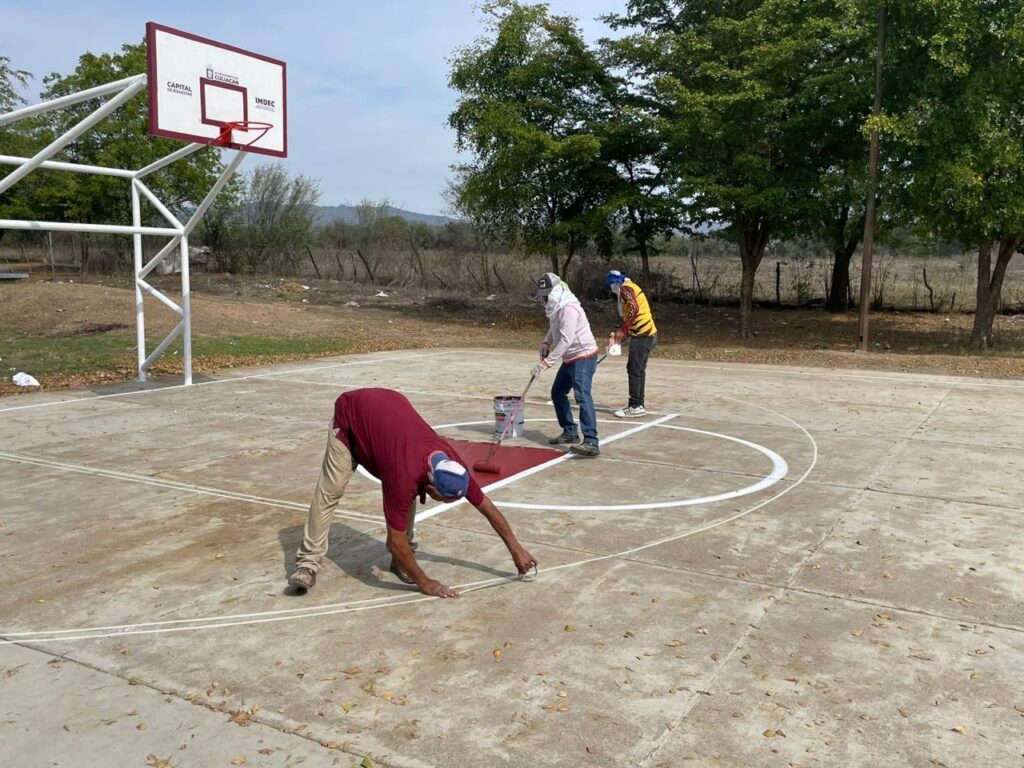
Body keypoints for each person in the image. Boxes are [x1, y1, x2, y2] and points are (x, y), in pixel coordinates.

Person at [288, 388, 537, 598]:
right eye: (441, 499)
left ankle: (401, 564)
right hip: (350, 418)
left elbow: (488, 508)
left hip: (387, 413)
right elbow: (394, 541)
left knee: (406, 500)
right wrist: (426, 583)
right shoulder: (403, 475)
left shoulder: (454, 468)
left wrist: (516, 549)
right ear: (429, 487)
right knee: (329, 493)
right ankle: (307, 564)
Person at [532, 272, 600, 457]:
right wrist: (546, 342)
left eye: (547, 294)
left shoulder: (568, 308)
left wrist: (546, 364)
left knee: (582, 395)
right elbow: (555, 330)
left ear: (556, 291)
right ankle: (570, 431)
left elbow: (566, 340)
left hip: (583, 356)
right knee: (557, 392)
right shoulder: (556, 308)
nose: (544, 299)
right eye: (543, 294)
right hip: (571, 358)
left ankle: (591, 442)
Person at [605, 270, 657, 418]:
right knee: (638, 370)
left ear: (615, 283)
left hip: (643, 335)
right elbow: (632, 317)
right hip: (646, 334)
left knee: (634, 370)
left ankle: (635, 405)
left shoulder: (625, 288)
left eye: (611, 285)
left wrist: (622, 331)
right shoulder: (630, 287)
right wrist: (620, 335)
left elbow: (634, 309)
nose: (611, 288)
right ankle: (638, 404)